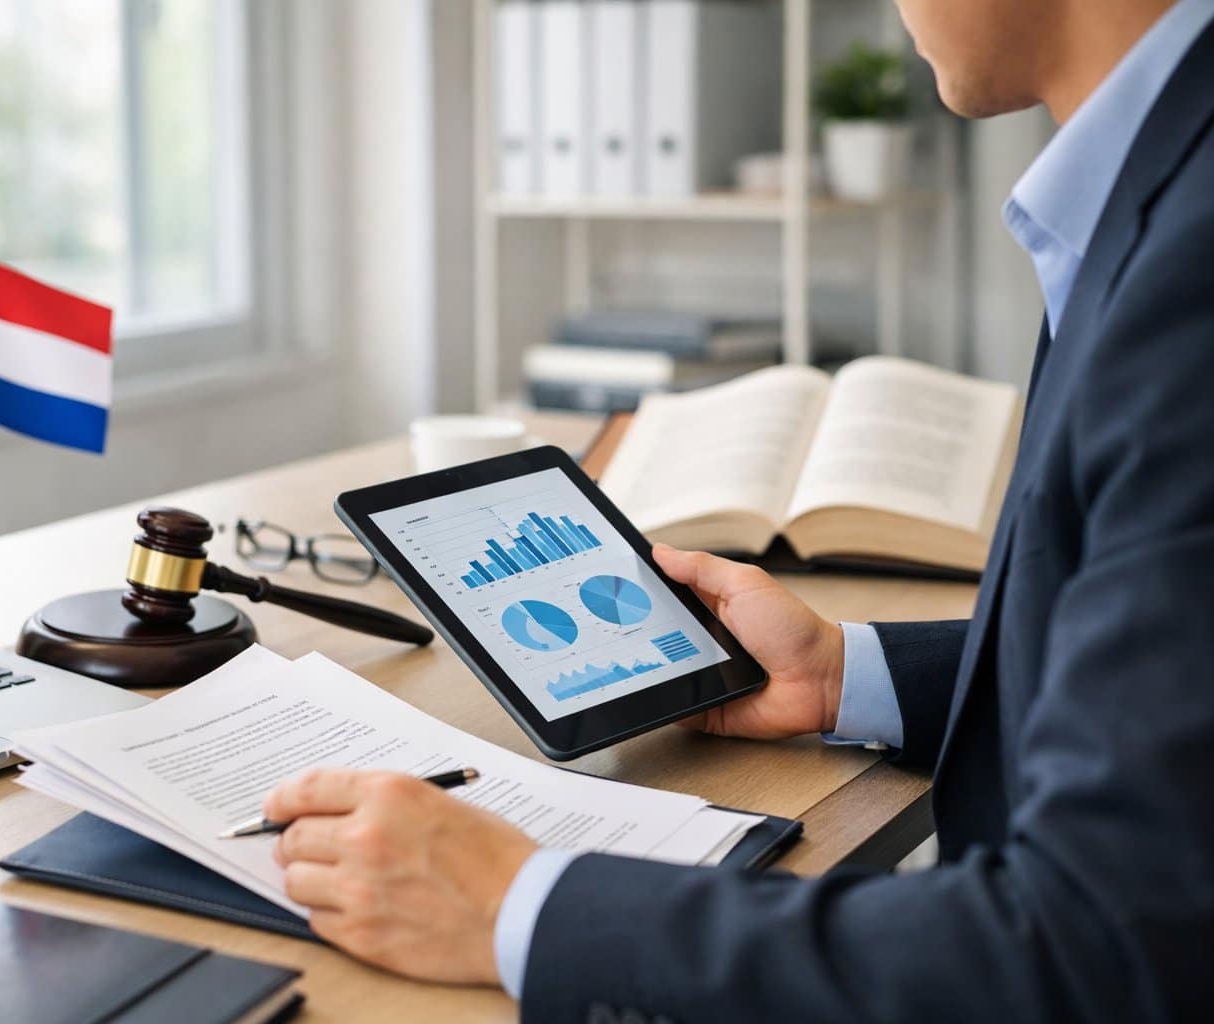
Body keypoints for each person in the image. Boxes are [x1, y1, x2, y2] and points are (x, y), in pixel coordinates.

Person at [266, 0, 1214, 1018]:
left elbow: (1097, 949)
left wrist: (518, 903)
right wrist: (846, 673)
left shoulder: (1190, 275)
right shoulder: (1161, 191)